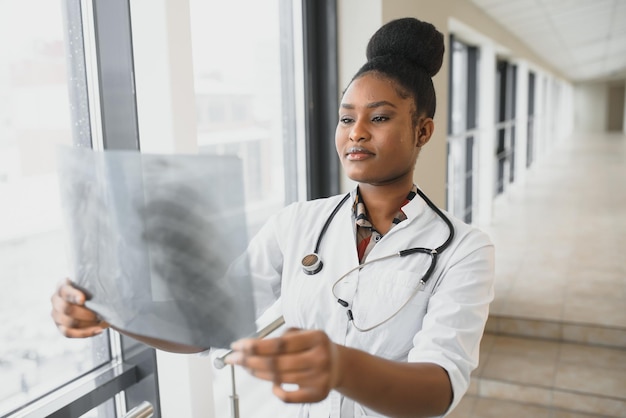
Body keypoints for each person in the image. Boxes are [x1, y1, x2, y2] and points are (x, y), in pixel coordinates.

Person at [51, 17, 494, 418]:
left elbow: (439, 387)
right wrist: (112, 311)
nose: (356, 132)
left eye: (379, 117)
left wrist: (340, 366)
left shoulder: (463, 249)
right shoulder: (297, 223)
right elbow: (206, 327)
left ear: (423, 130)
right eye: (345, 118)